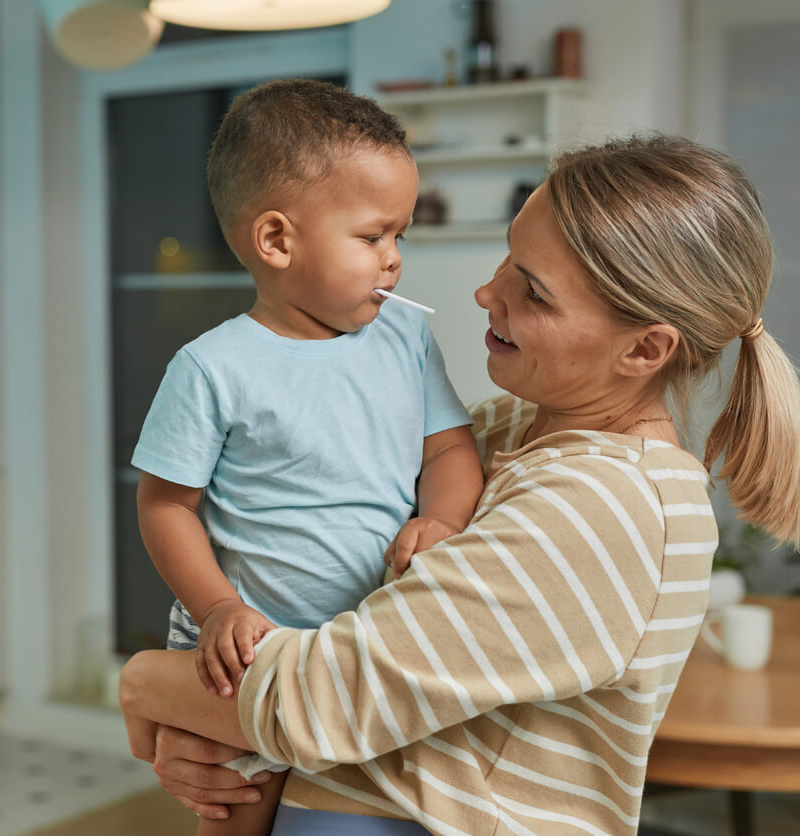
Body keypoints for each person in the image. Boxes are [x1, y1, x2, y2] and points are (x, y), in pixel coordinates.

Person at [120, 134, 800, 835]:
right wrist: (214, 740)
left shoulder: (611, 508)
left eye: (534, 291)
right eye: (511, 257)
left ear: (643, 349)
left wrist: (150, 686)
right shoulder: (505, 431)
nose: (488, 292)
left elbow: (326, 699)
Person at [130, 79, 486, 836]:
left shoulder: (405, 338)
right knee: (234, 819)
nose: (394, 261)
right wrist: (217, 607)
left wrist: (444, 519)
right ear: (277, 240)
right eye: (372, 237)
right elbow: (165, 505)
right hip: (244, 660)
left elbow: (449, 445)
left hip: (361, 656)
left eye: (401, 235)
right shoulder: (211, 368)